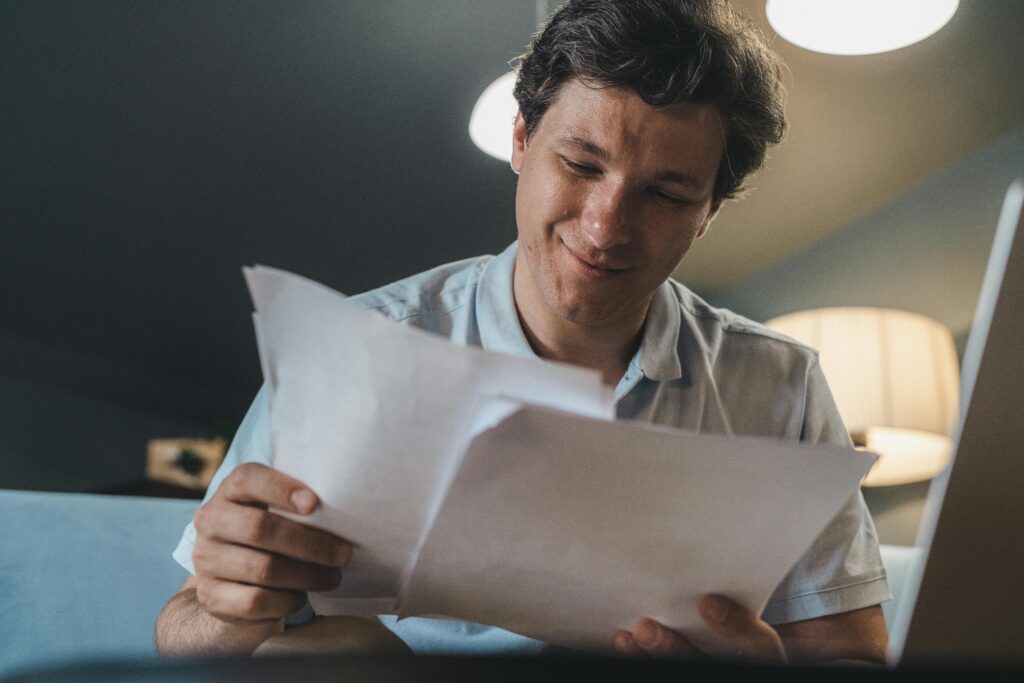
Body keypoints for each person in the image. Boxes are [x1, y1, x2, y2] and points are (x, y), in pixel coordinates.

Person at [155, 0, 890, 665]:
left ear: (710, 212)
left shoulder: (780, 387)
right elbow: (181, 636)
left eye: (666, 194)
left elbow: (851, 654)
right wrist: (225, 608)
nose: (605, 228)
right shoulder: (355, 345)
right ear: (520, 139)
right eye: (579, 163)